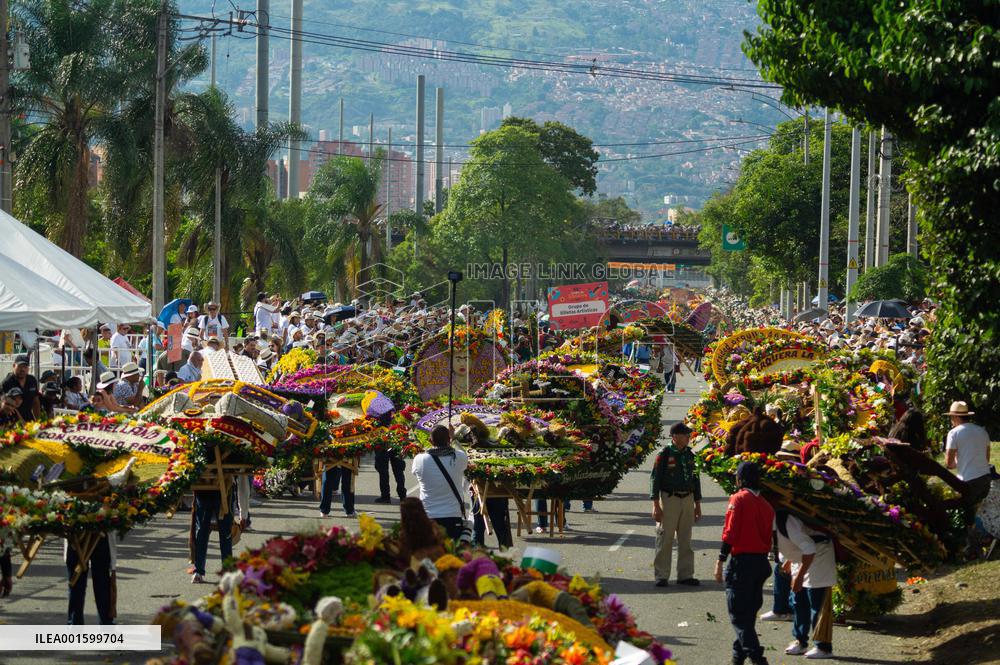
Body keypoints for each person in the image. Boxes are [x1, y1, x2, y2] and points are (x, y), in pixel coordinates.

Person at [714, 461, 775, 665]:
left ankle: (757, 658)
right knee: (748, 616)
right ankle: (737, 657)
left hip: (742, 564)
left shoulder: (738, 499)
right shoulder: (767, 505)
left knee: (739, 615)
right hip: (761, 563)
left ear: (740, 479)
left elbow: (730, 532)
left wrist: (720, 559)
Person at [774, 511, 836, 659]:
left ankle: (823, 647)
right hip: (801, 556)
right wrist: (789, 561)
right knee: (797, 601)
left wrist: (800, 576)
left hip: (818, 553)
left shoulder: (785, 521)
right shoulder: (769, 522)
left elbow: (809, 547)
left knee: (816, 602)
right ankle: (800, 641)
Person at [651, 421, 702, 586]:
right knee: (665, 537)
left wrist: (697, 505)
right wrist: (656, 505)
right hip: (669, 498)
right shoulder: (665, 453)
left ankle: (685, 575)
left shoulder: (690, 454)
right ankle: (662, 575)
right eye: (685, 435)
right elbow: (655, 480)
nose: (688, 437)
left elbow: (696, 479)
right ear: (675, 437)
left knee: (685, 538)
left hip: (687, 498)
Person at [412, 425, 469, 542]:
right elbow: (466, 456)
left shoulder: (420, 459)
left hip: (428, 516)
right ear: (449, 440)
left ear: (430, 441)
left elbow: (415, 472)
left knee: (431, 556)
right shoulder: (459, 457)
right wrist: (454, 438)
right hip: (453, 516)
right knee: (452, 557)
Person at [945, 401, 992, 505]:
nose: (951, 420)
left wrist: (958, 461)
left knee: (966, 515)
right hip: (986, 479)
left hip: (969, 481)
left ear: (955, 417)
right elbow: (986, 459)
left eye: (951, 417)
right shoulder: (982, 431)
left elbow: (949, 463)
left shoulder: (953, 433)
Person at [65, 535, 115, 624]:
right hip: (77, 534)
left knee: (101, 582)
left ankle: (105, 624)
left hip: (98, 533)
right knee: (77, 583)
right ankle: (75, 624)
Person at [1, 355, 40, 422]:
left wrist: (38, 421)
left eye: (25, 366)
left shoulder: (32, 380)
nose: (23, 369)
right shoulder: (7, 382)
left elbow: (35, 401)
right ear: (14, 366)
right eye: (20, 366)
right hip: (13, 422)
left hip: (29, 420)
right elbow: (2, 403)